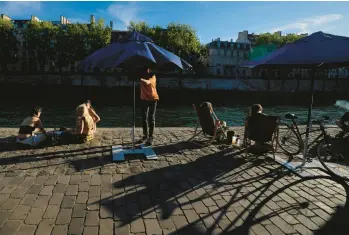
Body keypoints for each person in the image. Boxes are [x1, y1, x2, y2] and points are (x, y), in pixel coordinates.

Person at [140, 67, 159, 146]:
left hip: (153, 99)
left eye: (148, 69)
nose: (147, 71)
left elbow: (148, 82)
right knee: (144, 117)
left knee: (151, 117)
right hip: (144, 99)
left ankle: (151, 137)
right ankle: (145, 135)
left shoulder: (153, 77)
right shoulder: (142, 76)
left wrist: (139, 79)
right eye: (146, 69)